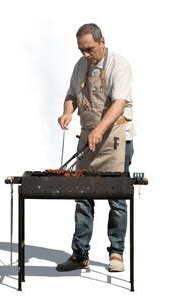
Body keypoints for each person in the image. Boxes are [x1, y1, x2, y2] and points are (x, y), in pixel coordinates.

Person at [56, 23, 134, 272]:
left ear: (102, 42)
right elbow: (71, 95)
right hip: (89, 136)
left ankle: (117, 253)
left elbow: (119, 103)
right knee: (82, 195)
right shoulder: (80, 66)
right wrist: (67, 112)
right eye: (81, 50)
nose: (86, 55)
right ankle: (80, 254)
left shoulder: (118, 65)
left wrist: (100, 130)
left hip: (115, 139)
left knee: (117, 197)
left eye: (89, 49)